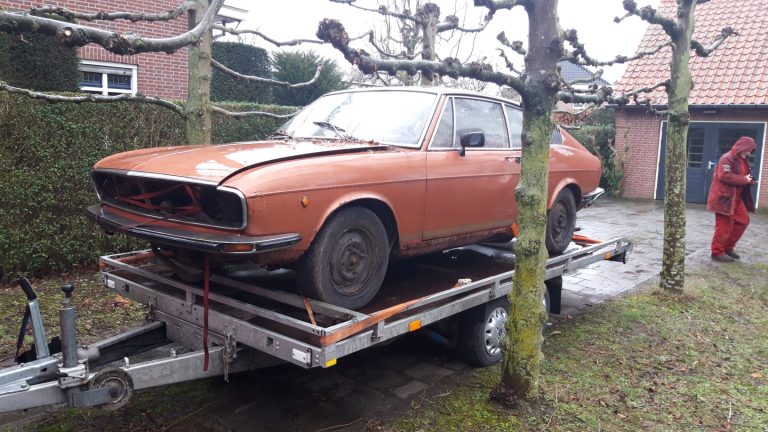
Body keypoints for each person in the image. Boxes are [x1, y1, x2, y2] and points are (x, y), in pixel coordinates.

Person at [706, 136, 758, 262]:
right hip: (723, 198)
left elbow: (743, 175)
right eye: (748, 150)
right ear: (742, 147)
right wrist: (744, 180)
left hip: (736, 197)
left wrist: (749, 181)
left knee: (743, 221)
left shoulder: (742, 159)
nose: (749, 153)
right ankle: (717, 252)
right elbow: (725, 176)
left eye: (751, 150)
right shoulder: (727, 158)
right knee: (724, 226)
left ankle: (727, 247)